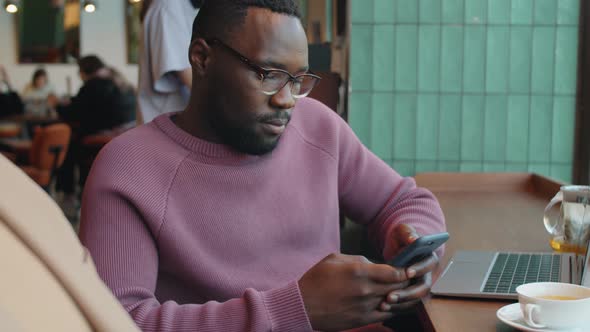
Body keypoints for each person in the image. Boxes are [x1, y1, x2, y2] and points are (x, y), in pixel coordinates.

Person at [79, 1, 446, 331]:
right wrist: (294, 310)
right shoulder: (129, 168)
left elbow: (404, 201)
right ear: (202, 58)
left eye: (298, 79)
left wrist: (413, 241)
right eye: (268, 74)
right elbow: (118, 321)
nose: (287, 100)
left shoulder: (317, 126)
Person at [56, 55, 136, 217]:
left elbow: (74, 112)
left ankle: (69, 194)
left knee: (68, 144)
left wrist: (57, 105)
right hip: (125, 134)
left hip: (102, 136)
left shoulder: (94, 84)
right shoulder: (117, 79)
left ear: (84, 71)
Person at [136, 0, 203, 124]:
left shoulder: (178, 6)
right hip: (165, 130)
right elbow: (189, 74)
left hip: (171, 127)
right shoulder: (169, 5)